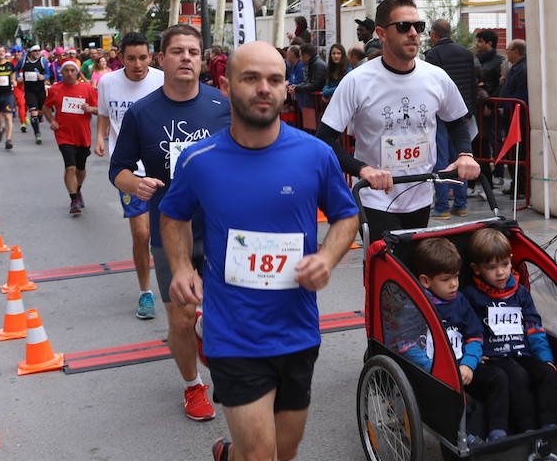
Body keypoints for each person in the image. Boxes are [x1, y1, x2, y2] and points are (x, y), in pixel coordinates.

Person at [158, 40, 359, 461]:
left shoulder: (315, 154)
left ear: (287, 88)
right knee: (261, 455)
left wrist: (326, 258)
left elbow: (346, 215)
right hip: (233, 334)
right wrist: (180, 268)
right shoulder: (200, 159)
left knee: (284, 450)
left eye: (274, 79)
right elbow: (174, 215)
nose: (264, 88)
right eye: (251, 78)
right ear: (226, 85)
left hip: (297, 330)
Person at [109, 24, 229, 422]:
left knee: (225, 311)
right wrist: (136, 184)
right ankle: (193, 386)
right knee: (180, 317)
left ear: (202, 59)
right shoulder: (143, 113)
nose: (186, 59)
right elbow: (118, 170)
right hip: (170, 229)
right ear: (162, 59)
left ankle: (216, 345)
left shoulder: (221, 106)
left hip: (220, 229)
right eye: (177, 52)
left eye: (193, 52)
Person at [316, 0, 481, 241]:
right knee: (389, 270)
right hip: (375, 197)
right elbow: (325, 139)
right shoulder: (357, 81)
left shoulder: (436, 77)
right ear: (382, 34)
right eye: (404, 27)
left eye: (419, 26)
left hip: (421, 193)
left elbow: (457, 120)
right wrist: (364, 170)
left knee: (414, 270)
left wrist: (465, 154)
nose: (414, 33)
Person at [406, 237, 509, 444]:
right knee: (453, 398)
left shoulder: (460, 300)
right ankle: (464, 438)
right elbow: (407, 346)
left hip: (463, 366)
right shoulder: (414, 307)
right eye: (446, 279)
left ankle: (498, 432)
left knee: (498, 377)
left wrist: (469, 364)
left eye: (456, 277)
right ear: (426, 281)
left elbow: (475, 335)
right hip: (436, 372)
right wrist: (441, 370)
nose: (454, 284)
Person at [463, 228, 557, 432]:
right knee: (517, 376)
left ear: (511, 260)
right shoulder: (471, 296)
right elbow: (467, 329)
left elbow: (534, 327)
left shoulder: (521, 293)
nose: (500, 272)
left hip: (521, 352)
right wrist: (472, 354)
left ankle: (549, 427)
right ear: (476, 269)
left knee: (547, 374)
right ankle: (527, 430)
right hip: (494, 357)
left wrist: (546, 359)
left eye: (505, 264)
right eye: (491, 267)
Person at [95, 31, 165, 319]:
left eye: (143, 57)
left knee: (174, 233)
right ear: (120, 58)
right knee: (142, 233)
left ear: (151, 56)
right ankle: (146, 291)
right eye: (131, 58)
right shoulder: (108, 83)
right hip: (130, 171)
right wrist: (100, 137)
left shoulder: (162, 80)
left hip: (164, 167)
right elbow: (103, 114)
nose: (138, 64)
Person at [425, 19, 476, 219]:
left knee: (441, 158)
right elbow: (472, 84)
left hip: (440, 114)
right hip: (462, 113)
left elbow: (429, 86)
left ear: (434, 35)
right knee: (462, 158)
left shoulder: (433, 54)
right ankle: (461, 205)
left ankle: (442, 206)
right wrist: (470, 111)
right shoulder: (466, 53)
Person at [42, 61, 98, 213]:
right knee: (70, 167)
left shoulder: (87, 88)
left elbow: (99, 109)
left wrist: (90, 108)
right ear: (62, 72)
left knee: (81, 169)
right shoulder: (55, 89)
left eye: (72, 70)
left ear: (77, 72)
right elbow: (46, 107)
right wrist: (52, 120)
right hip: (63, 134)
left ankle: (77, 190)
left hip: (82, 134)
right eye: (66, 70)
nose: (69, 73)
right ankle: (74, 199)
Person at [474, 30, 506, 187]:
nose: (477, 45)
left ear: (489, 43)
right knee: (482, 141)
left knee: (495, 140)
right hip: (479, 108)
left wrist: (491, 104)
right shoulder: (477, 60)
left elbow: (500, 85)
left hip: (492, 108)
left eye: (480, 41)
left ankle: (499, 172)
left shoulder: (499, 61)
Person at [499, 39, 529, 197]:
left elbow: (522, 95)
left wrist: (507, 107)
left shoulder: (523, 69)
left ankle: (521, 188)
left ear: (516, 51)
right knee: (513, 153)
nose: (506, 52)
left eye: (508, 49)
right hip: (511, 117)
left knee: (518, 153)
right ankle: (516, 185)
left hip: (518, 119)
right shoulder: (516, 68)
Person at [19, 45, 51, 144]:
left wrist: (44, 76)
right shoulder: (23, 61)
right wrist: (17, 77)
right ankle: (37, 134)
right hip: (29, 91)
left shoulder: (43, 61)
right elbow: (14, 70)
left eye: (38, 50)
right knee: (33, 112)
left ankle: (39, 117)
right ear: (30, 52)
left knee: (40, 112)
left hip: (40, 91)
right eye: (35, 51)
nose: (37, 52)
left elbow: (48, 74)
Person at [288, 44, 326, 110]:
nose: (300, 58)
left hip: (317, 103)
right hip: (312, 102)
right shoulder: (312, 64)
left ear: (305, 56)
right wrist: (297, 86)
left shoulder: (317, 64)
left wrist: (297, 88)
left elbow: (316, 85)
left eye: (300, 56)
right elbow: (308, 81)